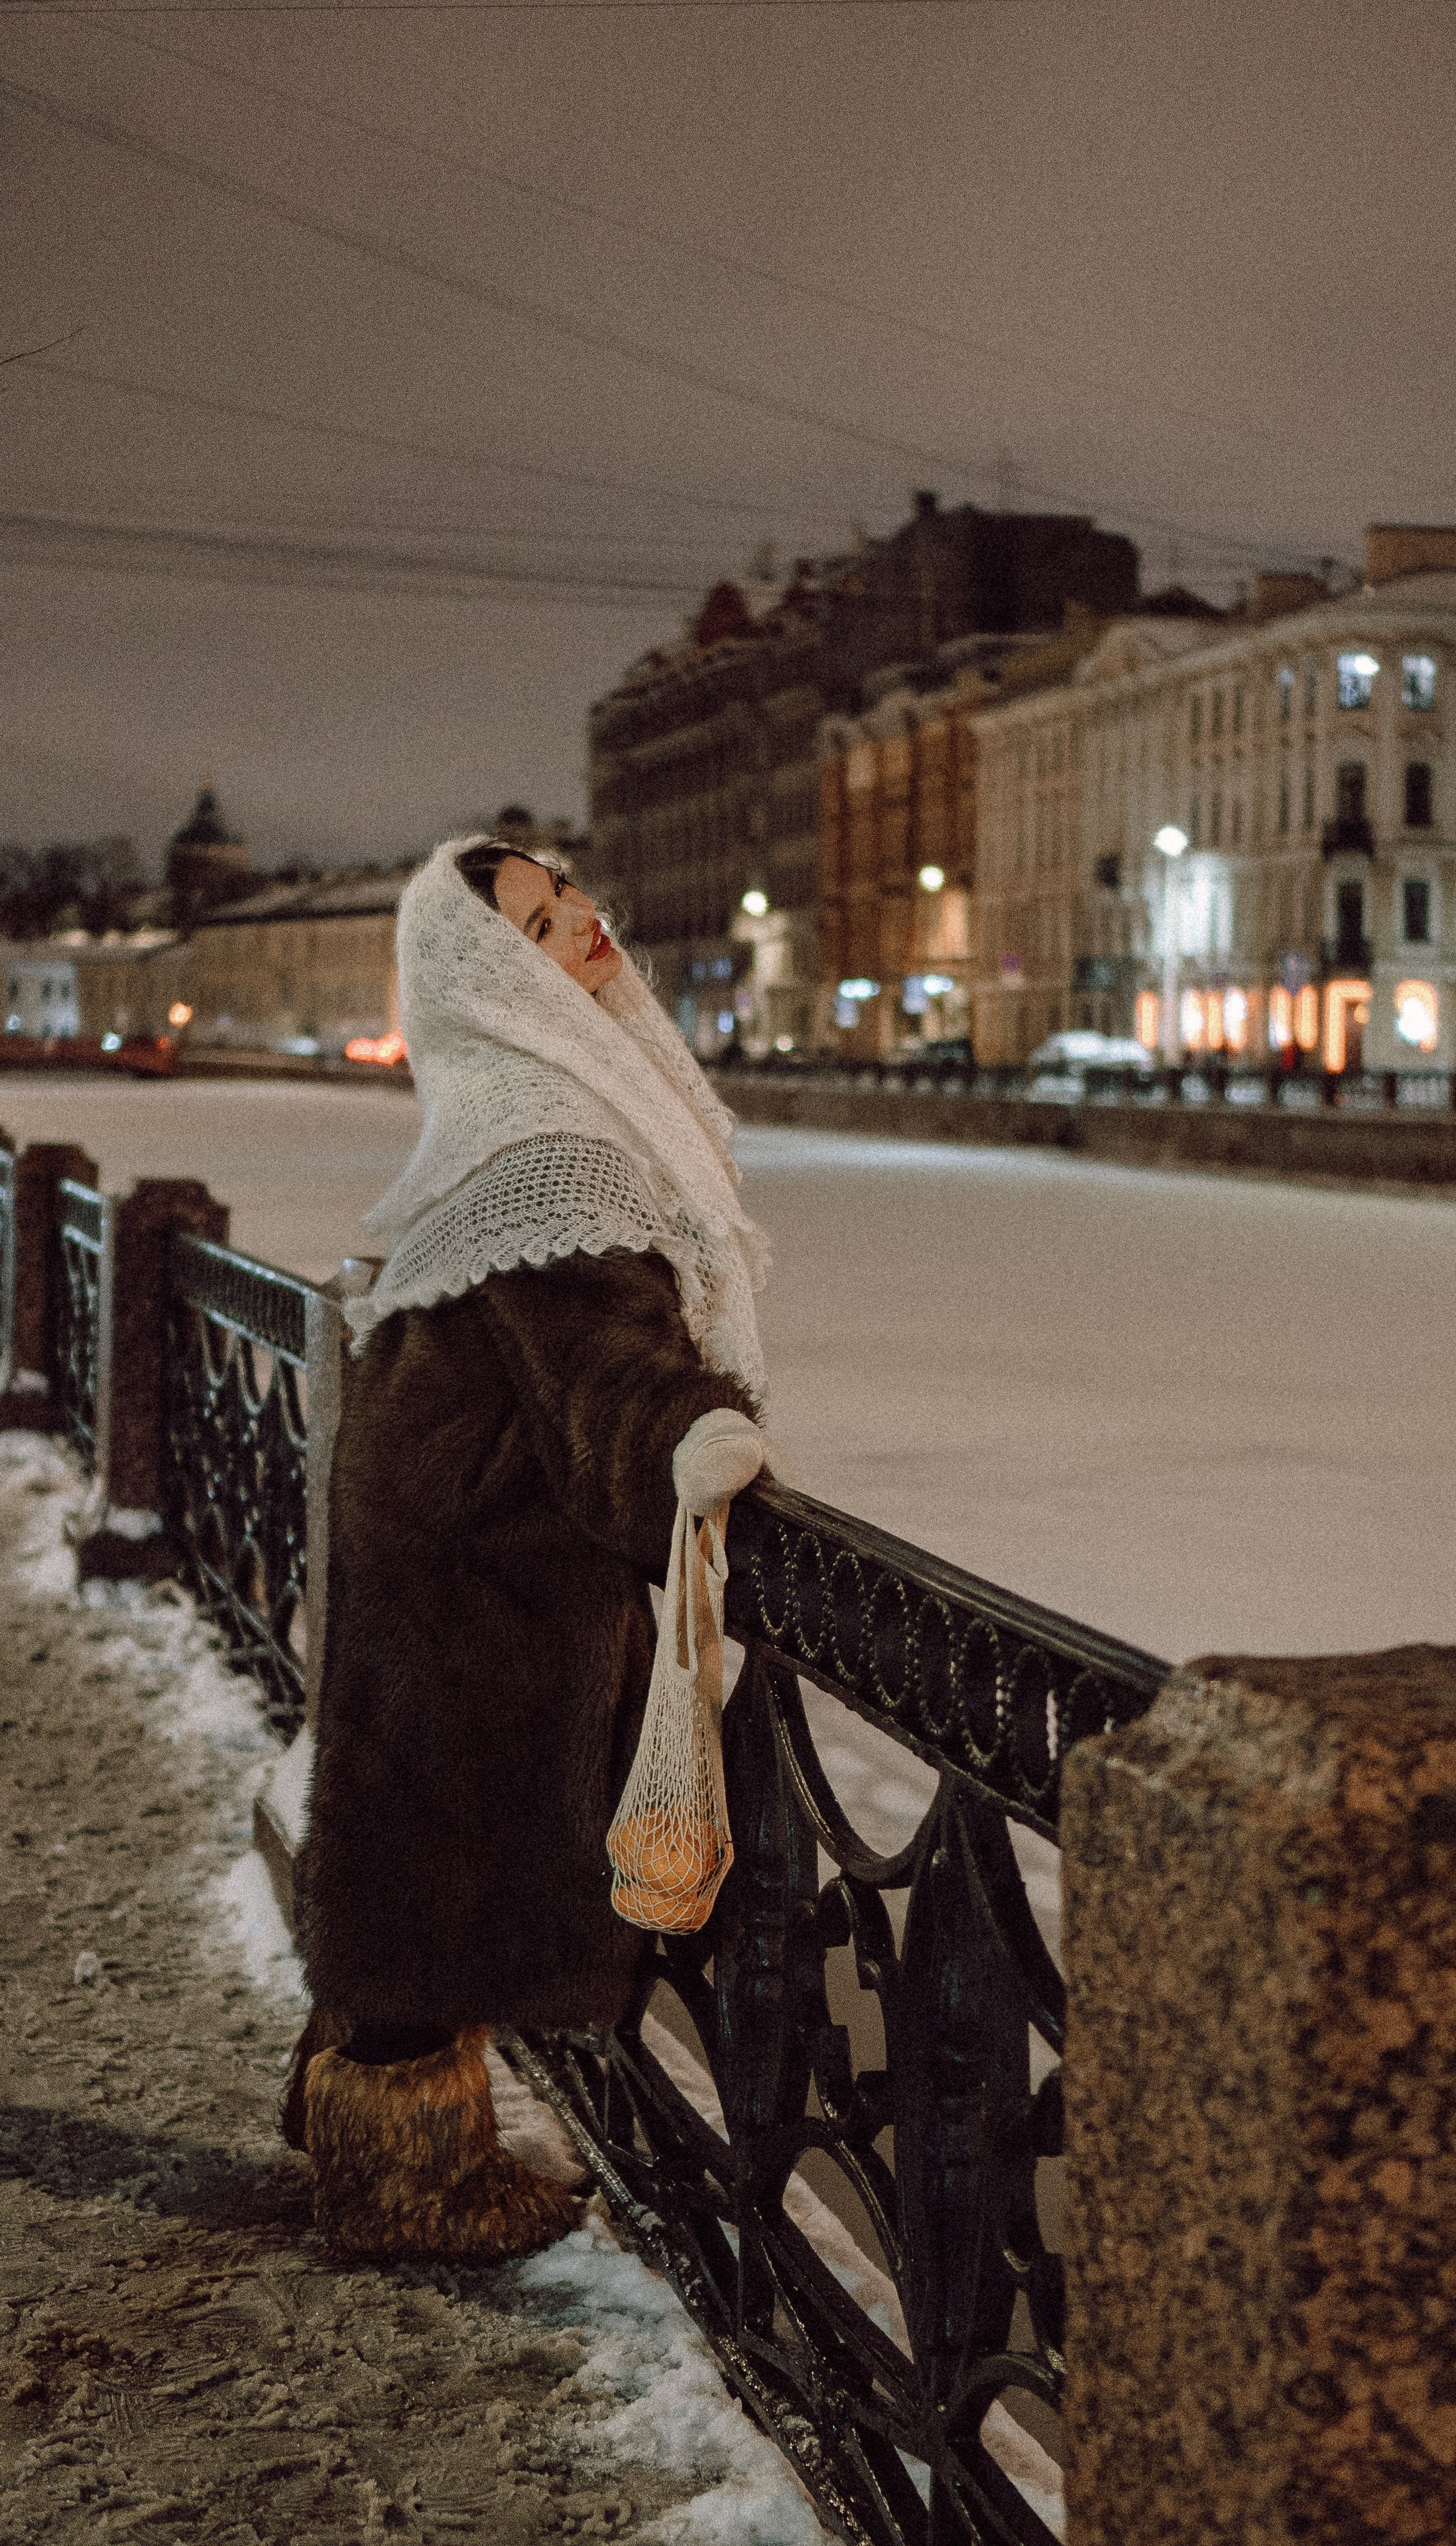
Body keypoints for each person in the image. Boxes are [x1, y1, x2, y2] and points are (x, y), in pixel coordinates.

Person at [284, 833, 779, 2266]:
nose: (583, 928)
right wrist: (690, 1433)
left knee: (411, 1858)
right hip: (484, 1575)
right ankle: (409, 2187)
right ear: (490, 981)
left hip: (438, 1543)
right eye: (538, 926)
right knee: (442, 1871)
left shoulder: (509, 1106)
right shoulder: (553, 1148)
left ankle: (357, 2118)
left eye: (568, 901)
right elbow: (600, 1366)